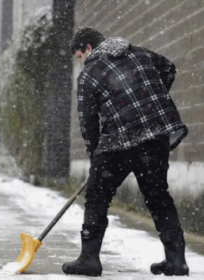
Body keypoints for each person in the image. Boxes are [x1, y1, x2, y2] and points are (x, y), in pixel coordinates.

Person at [62, 27, 189, 276]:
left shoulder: (89, 74)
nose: (80, 61)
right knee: (159, 197)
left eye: (79, 56)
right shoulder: (141, 53)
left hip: (118, 142)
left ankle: (89, 260)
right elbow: (169, 68)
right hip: (155, 135)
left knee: (98, 198)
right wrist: (147, 100)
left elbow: (87, 121)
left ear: (88, 47)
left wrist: (94, 154)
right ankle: (176, 261)